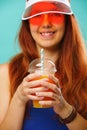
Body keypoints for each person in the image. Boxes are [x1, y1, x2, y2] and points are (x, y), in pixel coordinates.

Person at [0, 0, 87, 130]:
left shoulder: (85, 73)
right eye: (37, 15)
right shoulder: (5, 73)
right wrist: (19, 99)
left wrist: (65, 109)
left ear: (68, 21)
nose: (46, 23)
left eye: (55, 14)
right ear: (27, 23)